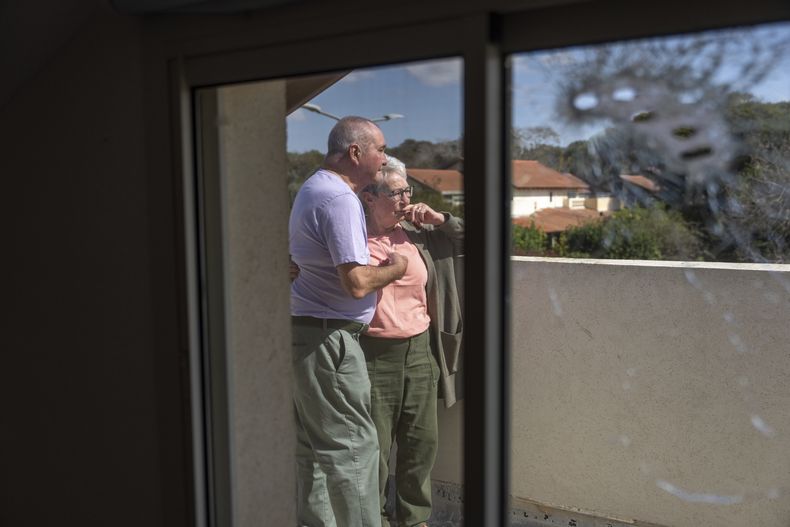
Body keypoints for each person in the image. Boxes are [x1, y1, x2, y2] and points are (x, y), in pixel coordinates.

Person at [289, 116, 408, 527]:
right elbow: (356, 283)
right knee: (354, 452)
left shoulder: (311, 187)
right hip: (331, 339)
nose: (385, 158)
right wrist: (395, 267)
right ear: (355, 152)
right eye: (380, 149)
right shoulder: (339, 198)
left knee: (314, 451)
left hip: (307, 334)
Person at [359, 156, 463, 527]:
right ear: (369, 197)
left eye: (408, 190)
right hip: (372, 355)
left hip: (421, 351)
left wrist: (441, 220)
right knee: (374, 452)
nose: (405, 199)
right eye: (396, 192)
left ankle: (413, 520)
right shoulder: (351, 235)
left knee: (421, 447)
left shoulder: (421, 233)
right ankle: (373, 519)